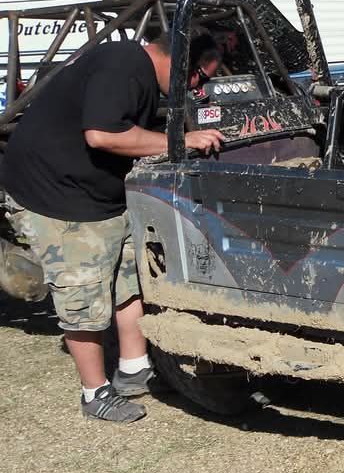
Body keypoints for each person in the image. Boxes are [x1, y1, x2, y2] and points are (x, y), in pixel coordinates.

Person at [0, 33, 225, 422]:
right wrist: (180, 141)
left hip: (99, 194)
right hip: (57, 196)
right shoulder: (123, 64)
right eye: (199, 77)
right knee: (83, 291)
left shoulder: (138, 73)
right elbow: (102, 134)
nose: (197, 88)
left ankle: (134, 368)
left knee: (129, 277)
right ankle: (95, 392)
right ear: (179, 60)